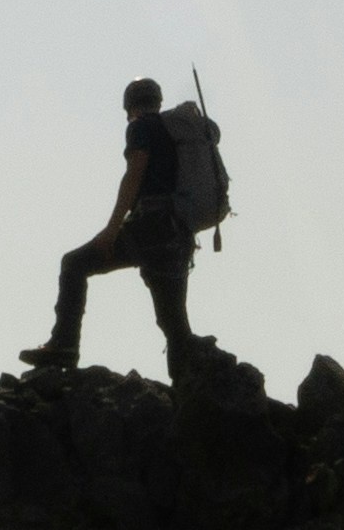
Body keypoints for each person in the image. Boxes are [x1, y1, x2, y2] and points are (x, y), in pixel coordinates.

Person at [37, 73, 215, 377]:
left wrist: (111, 229)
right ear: (158, 102)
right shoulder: (179, 134)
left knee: (75, 264)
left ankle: (64, 347)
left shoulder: (141, 128)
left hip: (148, 228)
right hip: (179, 236)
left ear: (129, 107)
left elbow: (134, 174)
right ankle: (189, 394)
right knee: (175, 326)